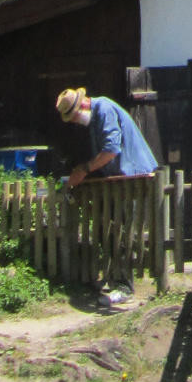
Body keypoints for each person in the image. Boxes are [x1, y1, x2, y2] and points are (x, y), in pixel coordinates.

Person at [56, 87, 159, 303]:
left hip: (130, 176)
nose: (75, 122)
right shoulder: (95, 117)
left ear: (83, 105)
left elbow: (111, 150)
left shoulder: (104, 109)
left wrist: (84, 170)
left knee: (119, 229)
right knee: (110, 228)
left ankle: (124, 287)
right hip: (117, 179)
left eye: (73, 117)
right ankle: (115, 280)